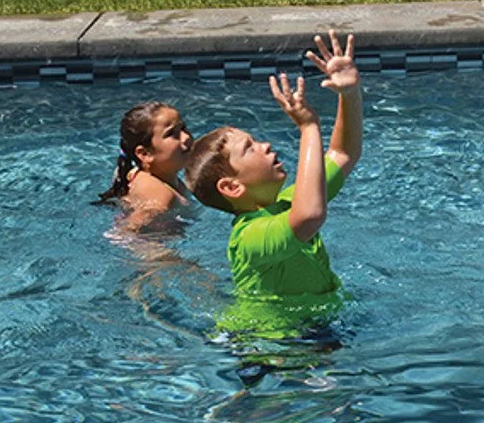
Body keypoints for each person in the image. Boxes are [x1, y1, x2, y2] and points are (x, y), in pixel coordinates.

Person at [183, 30, 362, 349]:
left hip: (311, 332)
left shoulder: (285, 203)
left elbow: (343, 154)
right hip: (269, 345)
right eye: (249, 148)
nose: (265, 145)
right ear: (232, 187)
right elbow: (310, 216)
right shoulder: (249, 238)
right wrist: (308, 127)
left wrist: (349, 95)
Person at [95, 101, 194, 232]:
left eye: (183, 128)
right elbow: (125, 232)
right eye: (171, 134)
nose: (186, 137)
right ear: (145, 154)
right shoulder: (162, 195)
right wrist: (157, 252)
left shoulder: (137, 173)